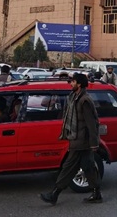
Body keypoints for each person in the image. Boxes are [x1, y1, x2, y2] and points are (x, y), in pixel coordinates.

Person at [40, 72, 102, 205]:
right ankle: (96, 193)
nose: (71, 84)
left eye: (73, 82)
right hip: (77, 139)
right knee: (88, 167)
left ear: (79, 84)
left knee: (69, 167)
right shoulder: (74, 97)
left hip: (82, 141)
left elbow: (92, 123)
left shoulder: (84, 100)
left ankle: (54, 194)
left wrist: (94, 143)